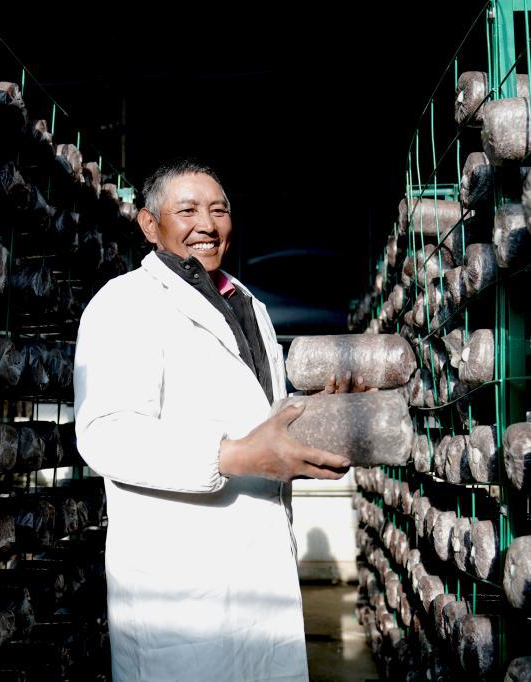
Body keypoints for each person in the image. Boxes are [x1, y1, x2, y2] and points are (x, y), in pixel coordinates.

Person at [73, 159, 365, 681]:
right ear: (149, 224)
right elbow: (105, 434)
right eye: (187, 211)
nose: (206, 224)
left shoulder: (248, 305)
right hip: (181, 585)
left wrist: (319, 414)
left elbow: (259, 418)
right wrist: (232, 456)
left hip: (260, 573)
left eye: (219, 210)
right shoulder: (124, 303)